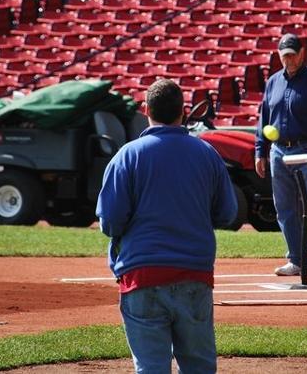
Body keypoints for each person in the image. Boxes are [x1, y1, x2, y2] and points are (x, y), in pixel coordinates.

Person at [96, 78, 238, 373]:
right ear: (183, 111)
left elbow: (110, 222)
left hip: (141, 274)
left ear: (145, 109)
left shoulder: (127, 155)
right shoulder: (207, 154)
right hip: (194, 274)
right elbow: (227, 213)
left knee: (151, 367)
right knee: (199, 367)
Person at [255, 33, 307, 278]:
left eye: (292, 55)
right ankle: (295, 258)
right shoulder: (272, 82)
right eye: (284, 56)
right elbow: (263, 119)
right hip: (279, 151)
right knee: (284, 208)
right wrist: (261, 150)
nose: (288, 60)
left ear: (302, 53)